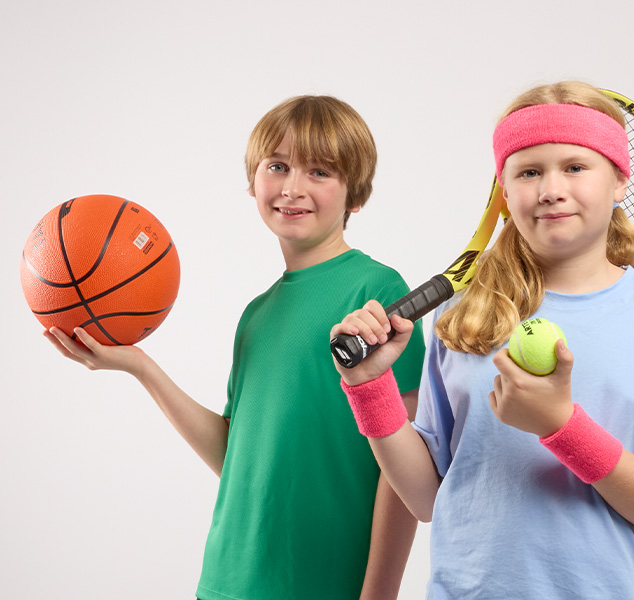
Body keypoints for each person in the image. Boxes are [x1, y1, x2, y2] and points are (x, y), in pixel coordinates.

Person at [331, 80, 634, 599]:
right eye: (529, 171)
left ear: (621, 180)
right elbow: (427, 498)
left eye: (575, 167)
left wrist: (561, 426)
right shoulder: (461, 313)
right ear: (504, 190)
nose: (550, 189)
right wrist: (370, 386)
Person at [44, 95, 426, 600]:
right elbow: (237, 457)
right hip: (225, 582)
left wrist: (378, 594)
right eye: (278, 166)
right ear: (253, 183)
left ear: (356, 195)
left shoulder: (376, 294)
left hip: (324, 585)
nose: (292, 188)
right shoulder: (256, 315)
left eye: (319, 172)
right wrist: (141, 367)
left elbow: (401, 475)